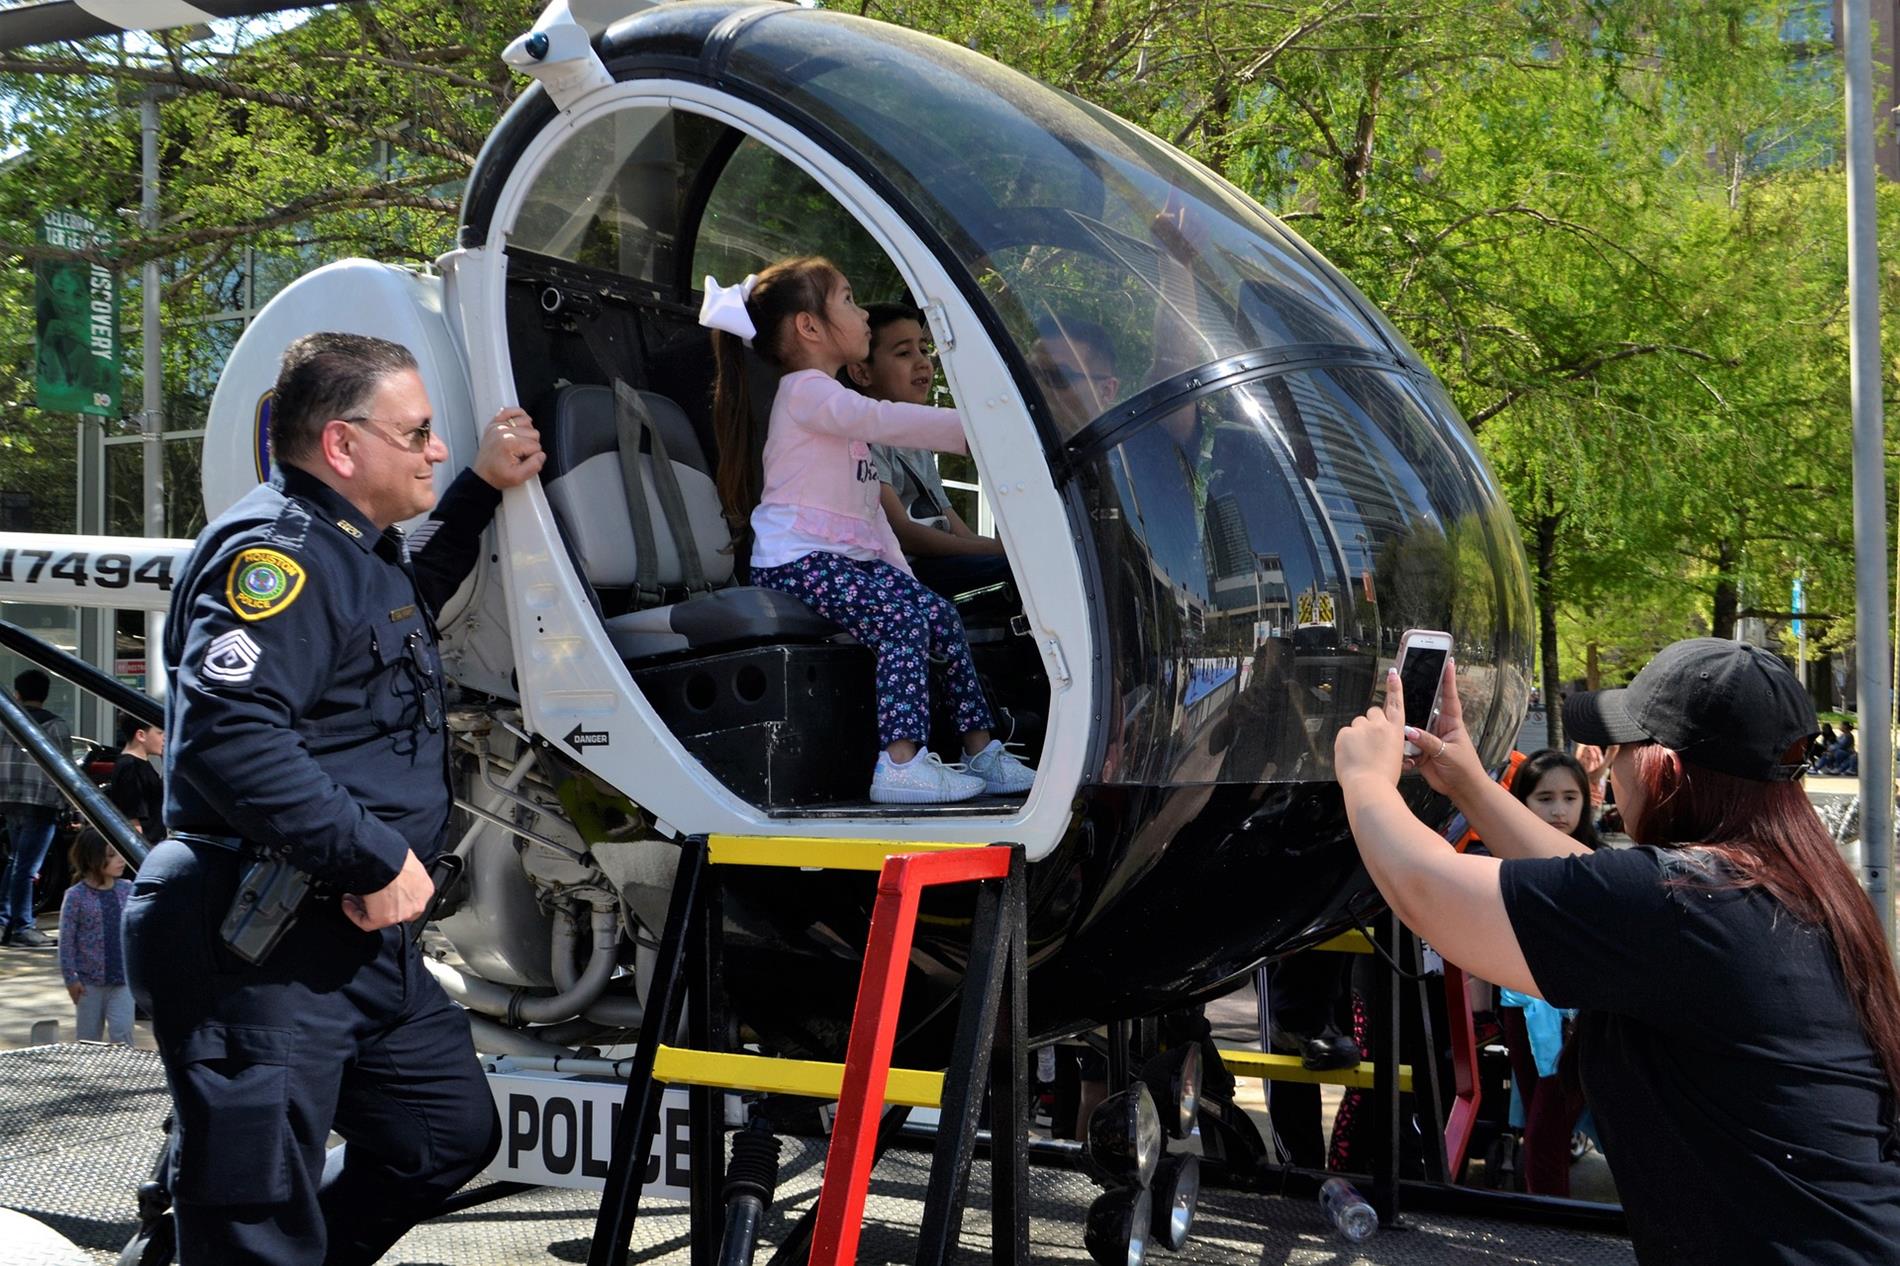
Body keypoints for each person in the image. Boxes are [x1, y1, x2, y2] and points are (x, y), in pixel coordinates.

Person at [123, 332, 545, 1265]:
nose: (435, 448)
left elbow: (402, 601)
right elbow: (230, 736)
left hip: (356, 942)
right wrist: (374, 855)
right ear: (344, 447)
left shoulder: (355, 551)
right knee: (254, 1214)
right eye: (421, 433)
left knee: (442, 1135)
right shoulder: (277, 554)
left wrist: (476, 485)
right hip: (260, 939)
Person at [1334, 639, 1900, 1262]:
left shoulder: (1684, 908)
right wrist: (1469, 783)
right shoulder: (1780, 888)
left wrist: (1364, 778)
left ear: (1668, 770)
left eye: (1624, 746)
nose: (1611, 763)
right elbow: (1588, 884)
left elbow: (1427, 891)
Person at [702, 256, 1035, 804]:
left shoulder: (834, 407)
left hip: (841, 560)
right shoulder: (808, 392)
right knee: (903, 621)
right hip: (797, 559)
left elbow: (871, 514)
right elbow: (883, 419)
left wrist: (905, 578)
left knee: (938, 615)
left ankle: (982, 750)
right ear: (809, 327)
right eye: (850, 301)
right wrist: (981, 430)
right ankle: (900, 765)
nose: (861, 315)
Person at [844, 301, 1012, 599]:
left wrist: (1002, 550)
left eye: (923, 349)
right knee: (1013, 575)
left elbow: (950, 522)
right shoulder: (864, 439)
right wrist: (995, 551)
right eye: (904, 353)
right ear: (862, 373)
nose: (923, 362)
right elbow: (902, 533)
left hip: (942, 564)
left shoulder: (916, 440)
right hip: (905, 573)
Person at [1495, 748, 1598, 1196]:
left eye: (1570, 797)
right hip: (1519, 1005)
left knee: (1544, 1133)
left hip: (1576, 1017)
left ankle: (1552, 1230)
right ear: (1522, 801)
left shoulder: (1598, 863)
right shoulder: (1502, 861)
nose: (1559, 810)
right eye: (1545, 798)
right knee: (1538, 1129)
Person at [0, 669, 73, 949]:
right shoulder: (55, 726)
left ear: (17, 694)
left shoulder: (7, 723)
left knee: (16, 860)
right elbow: (65, 772)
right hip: (41, 802)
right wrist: (68, 806)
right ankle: (22, 926)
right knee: (27, 866)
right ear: (45, 695)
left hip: (9, 800)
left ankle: (5, 920)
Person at [57, 828, 133, 1044]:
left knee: (123, 1036)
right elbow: (66, 942)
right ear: (92, 858)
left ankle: (126, 1077)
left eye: (120, 853)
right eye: (111, 856)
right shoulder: (75, 896)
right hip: (88, 984)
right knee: (88, 1041)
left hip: (122, 981)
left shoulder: (128, 889)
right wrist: (71, 979)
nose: (120, 860)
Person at [107, 712, 165, 841]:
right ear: (141, 735)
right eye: (160, 733)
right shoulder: (130, 766)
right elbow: (132, 818)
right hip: (145, 845)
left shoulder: (141, 763)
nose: (164, 737)